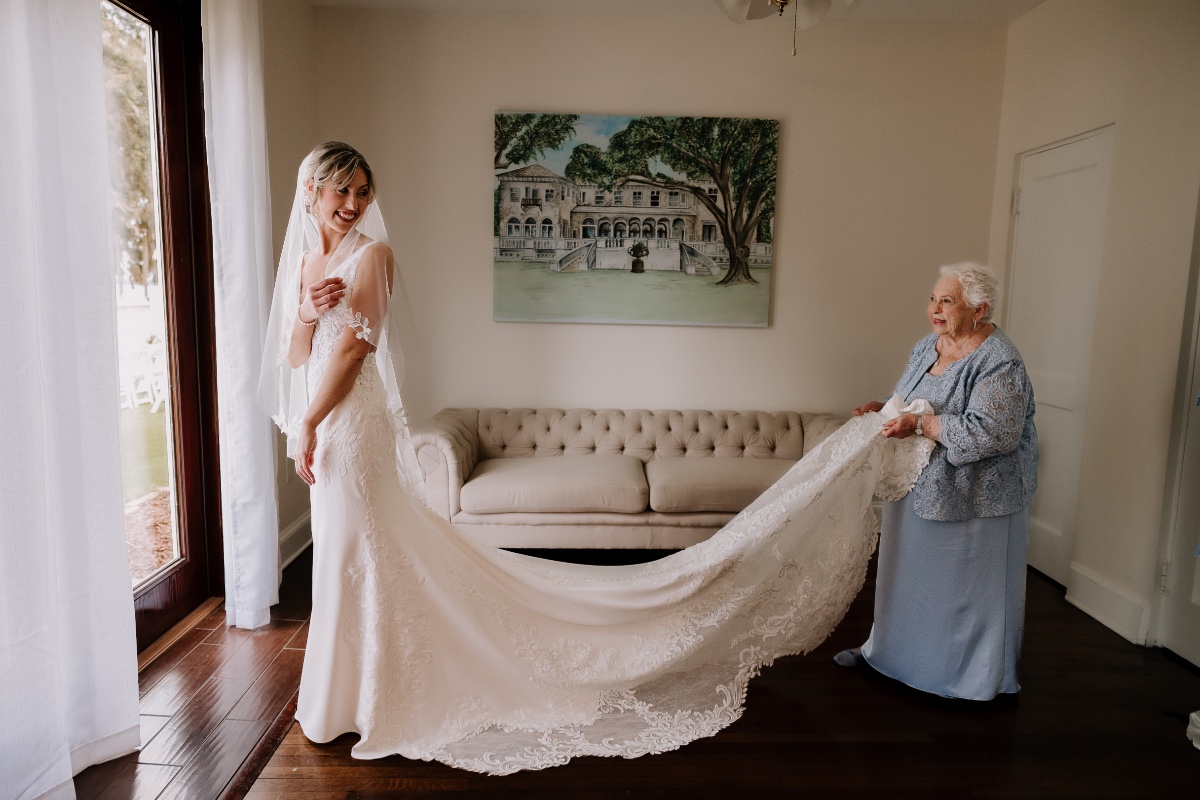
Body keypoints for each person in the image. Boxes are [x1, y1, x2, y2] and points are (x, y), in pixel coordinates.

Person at [258, 142, 937, 775]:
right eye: (342, 190)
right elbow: (299, 354)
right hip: (328, 423)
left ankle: (362, 696)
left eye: (361, 190)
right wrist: (307, 315)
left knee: (359, 549)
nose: (352, 202)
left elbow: (356, 353)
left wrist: (308, 426)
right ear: (313, 191)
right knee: (349, 556)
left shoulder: (372, 256)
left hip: (349, 427)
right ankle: (347, 695)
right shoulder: (310, 266)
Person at [835, 262, 1038, 701]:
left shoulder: (1000, 361)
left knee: (962, 590)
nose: (935, 309)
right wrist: (884, 409)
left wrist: (922, 425)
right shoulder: (928, 346)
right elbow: (910, 399)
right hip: (917, 483)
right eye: (933, 298)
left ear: (979, 310)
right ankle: (888, 656)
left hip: (977, 496)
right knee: (908, 581)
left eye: (947, 300)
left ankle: (962, 680)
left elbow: (995, 433)